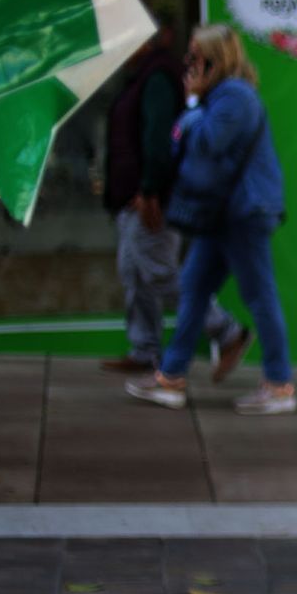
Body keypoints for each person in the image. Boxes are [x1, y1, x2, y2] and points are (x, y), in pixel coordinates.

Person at [124, 24, 293, 415]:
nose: (188, 63)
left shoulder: (235, 96)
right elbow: (184, 141)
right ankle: (171, 377)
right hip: (222, 212)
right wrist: (195, 108)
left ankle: (280, 384)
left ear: (215, 59)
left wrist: (192, 104)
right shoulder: (221, 96)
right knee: (194, 286)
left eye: (195, 56)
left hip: (244, 212)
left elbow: (205, 143)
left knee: (259, 295)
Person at [100, 30, 247, 377]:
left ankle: (226, 332)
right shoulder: (145, 78)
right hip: (137, 195)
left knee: (159, 272)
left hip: (150, 197)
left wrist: (150, 189)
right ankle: (144, 349)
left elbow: (160, 138)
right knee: (135, 272)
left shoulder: (158, 79)